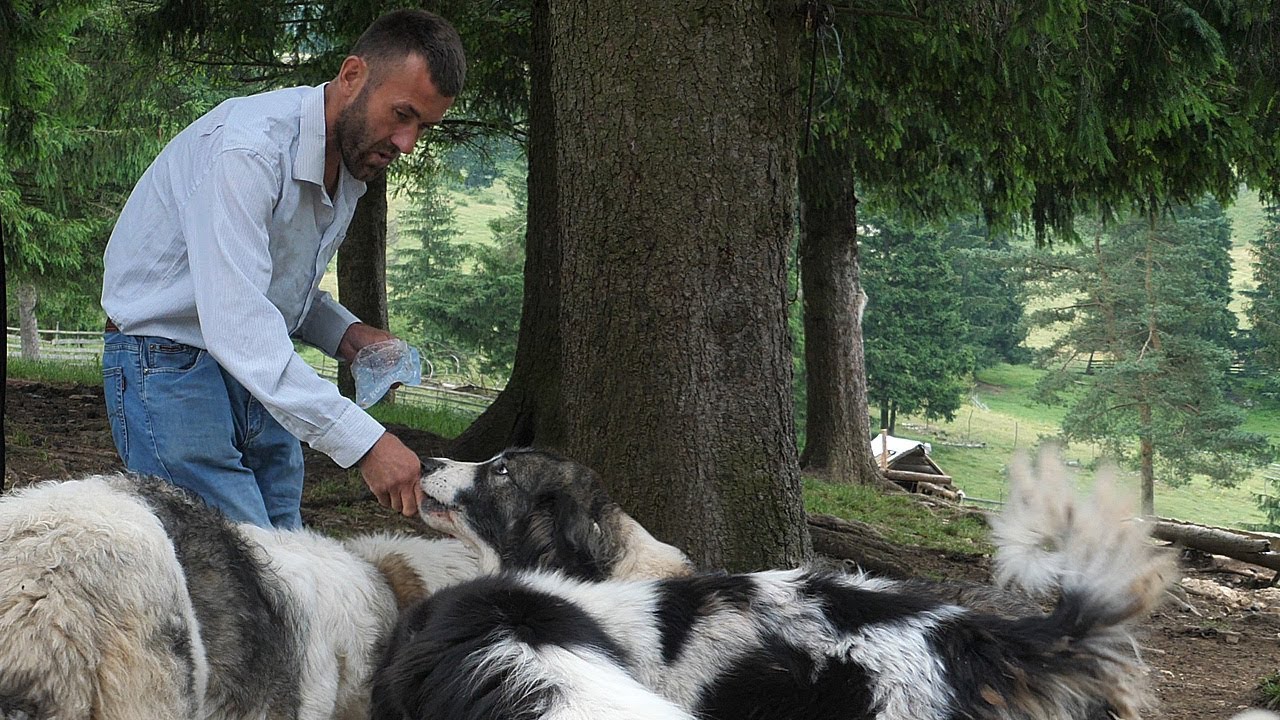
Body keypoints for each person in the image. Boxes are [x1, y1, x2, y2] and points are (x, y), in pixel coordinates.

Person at [99, 9, 466, 529]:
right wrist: (366, 444)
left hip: (251, 366)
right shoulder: (248, 151)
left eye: (423, 127)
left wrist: (345, 334)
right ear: (353, 75)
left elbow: (263, 286)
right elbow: (239, 318)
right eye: (402, 114)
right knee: (242, 572)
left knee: (289, 562)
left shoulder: (349, 167)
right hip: (167, 362)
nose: (407, 143)